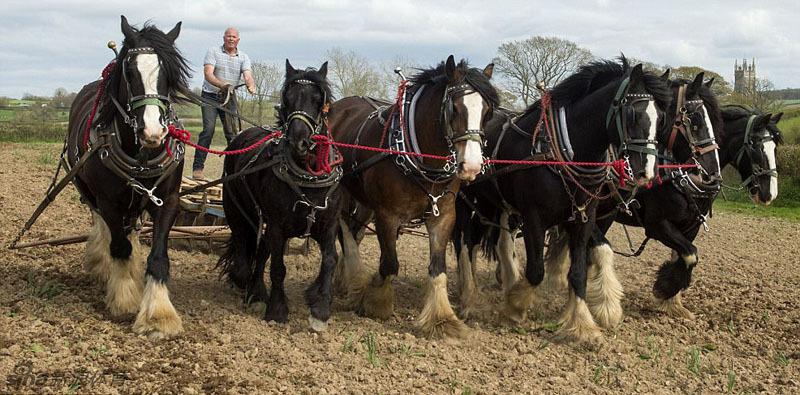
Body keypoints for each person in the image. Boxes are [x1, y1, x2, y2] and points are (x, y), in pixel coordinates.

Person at [192, 27, 257, 180]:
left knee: (232, 135)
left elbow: (248, 75)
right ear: (224, 38)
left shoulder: (243, 57)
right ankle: (198, 168)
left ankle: (232, 171)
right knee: (208, 130)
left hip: (229, 98)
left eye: (234, 37)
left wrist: (251, 84)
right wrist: (223, 85)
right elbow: (208, 74)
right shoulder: (213, 52)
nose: (231, 39)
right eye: (228, 36)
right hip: (210, 96)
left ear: (238, 40)